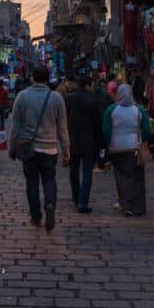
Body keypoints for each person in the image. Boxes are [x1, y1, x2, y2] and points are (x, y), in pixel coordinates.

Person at [9, 65, 70, 232]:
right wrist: (66, 150)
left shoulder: (22, 97)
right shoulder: (57, 98)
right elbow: (62, 127)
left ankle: (36, 216)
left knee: (32, 183)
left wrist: (12, 148)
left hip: (29, 149)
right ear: (47, 78)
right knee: (49, 181)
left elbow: (16, 126)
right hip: (50, 148)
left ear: (32, 78)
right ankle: (50, 204)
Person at [103, 84, 152, 217]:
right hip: (134, 147)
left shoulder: (111, 110)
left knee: (122, 176)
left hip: (117, 148)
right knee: (137, 177)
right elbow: (147, 130)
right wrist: (143, 140)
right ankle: (138, 206)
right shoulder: (139, 110)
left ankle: (126, 204)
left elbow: (106, 131)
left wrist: (108, 143)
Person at [65, 76, 105, 213]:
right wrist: (101, 144)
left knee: (73, 172)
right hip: (89, 142)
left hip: (72, 141)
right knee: (87, 173)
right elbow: (98, 125)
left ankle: (76, 198)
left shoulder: (69, 99)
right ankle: (83, 202)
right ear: (88, 85)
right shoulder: (93, 101)